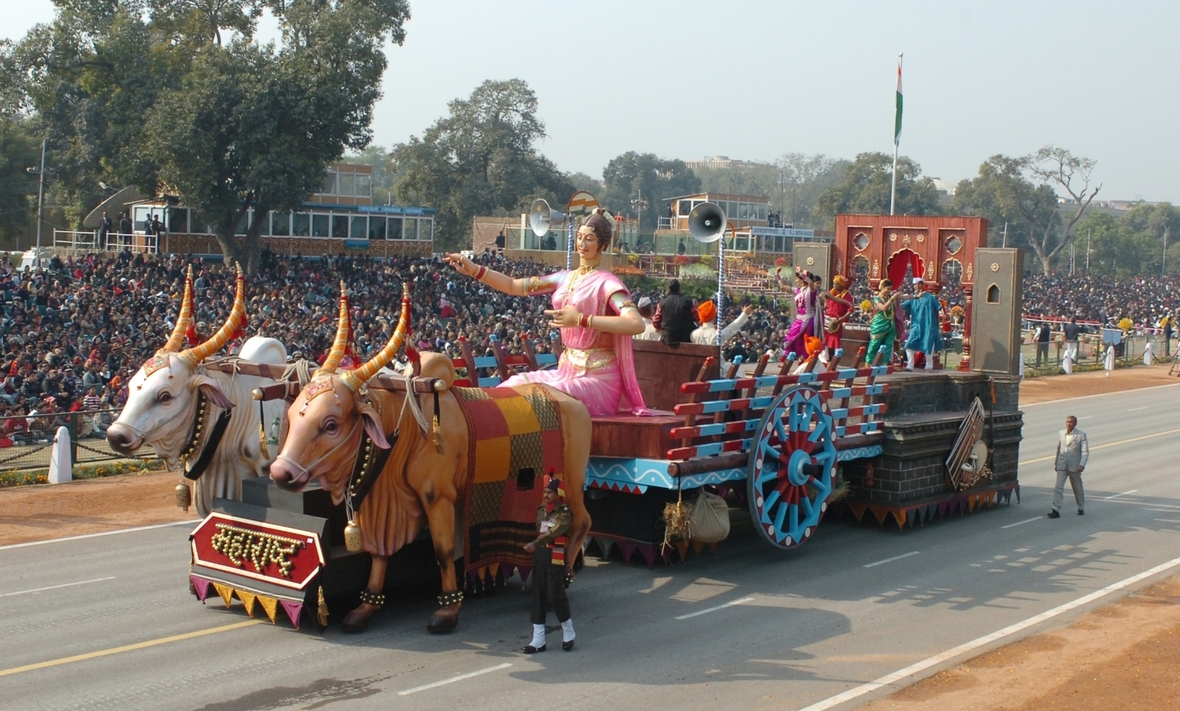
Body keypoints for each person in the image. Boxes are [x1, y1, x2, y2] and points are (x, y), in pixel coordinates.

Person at [444, 212, 649, 416]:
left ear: (603, 246)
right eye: (579, 237)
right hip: (567, 371)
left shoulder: (607, 283)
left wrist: (581, 319)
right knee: (514, 385)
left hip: (598, 379)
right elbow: (513, 286)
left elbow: (635, 324)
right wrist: (474, 270)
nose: (582, 244)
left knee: (544, 395)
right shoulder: (564, 278)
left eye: (589, 239)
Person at [521, 476, 576, 653]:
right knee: (537, 594)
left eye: (549, 492)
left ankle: (568, 631)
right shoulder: (541, 510)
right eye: (544, 492)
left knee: (555, 594)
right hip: (541, 555)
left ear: (558, 494)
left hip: (556, 554)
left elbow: (555, 531)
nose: (546, 495)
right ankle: (538, 639)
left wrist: (534, 544)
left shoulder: (565, 512)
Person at [1048, 415, 1089, 518]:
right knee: (1058, 487)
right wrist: (1056, 462)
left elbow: (1085, 452)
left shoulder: (1081, 435)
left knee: (1077, 487)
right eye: (1067, 422)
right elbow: (1059, 448)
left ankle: (1081, 507)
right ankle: (1055, 509)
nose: (1068, 424)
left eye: (1071, 422)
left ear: (1075, 424)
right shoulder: (1061, 433)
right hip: (1062, 464)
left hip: (1074, 466)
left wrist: (1081, 465)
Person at [777, 268, 820, 360]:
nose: (796, 280)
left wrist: (801, 273)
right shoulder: (797, 290)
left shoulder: (811, 290)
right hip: (799, 319)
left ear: (803, 279)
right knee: (791, 337)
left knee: (805, 340)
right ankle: (789, 356)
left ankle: (805, 358)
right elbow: (783, 287)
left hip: (808, 320)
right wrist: (777, 276)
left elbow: (811, 283)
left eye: (797, 279)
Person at [902, 278, 944, 371]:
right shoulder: (913, 298)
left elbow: (939, 308)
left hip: (928, 325)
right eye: (915, 284)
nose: (917, 286)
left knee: (928, 345)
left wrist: (944, 316)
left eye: (919, 284)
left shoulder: (930, 297)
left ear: (922, 285)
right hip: (916, 325)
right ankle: (910, 365)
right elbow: (902, 306)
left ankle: (929, 366)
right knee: (909, 345)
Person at [867, 279, 902, 366]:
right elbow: (883, 308)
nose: (889, 291)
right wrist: (892, 299)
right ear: (882, 288)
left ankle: (884, 363)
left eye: (890, 289)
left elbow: (904, 297)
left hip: (890, 324)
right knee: (874, 344)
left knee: (888, 345)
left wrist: (916, 297)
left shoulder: (889, 297)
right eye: (887, 289)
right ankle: (869, 362)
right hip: (879, 324)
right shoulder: (877, 299)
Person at [653, 279, 695, 346]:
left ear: (669, 289)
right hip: (686, 338)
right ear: (679, 289)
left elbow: (656, 321)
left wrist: (661, 329)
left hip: (668, 339)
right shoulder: (688, 301)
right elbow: (696, 316)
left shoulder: (662, 303)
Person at [822, 275, 854, 358]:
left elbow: (850, 309)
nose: (834, 286)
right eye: (834, 284)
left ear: (842, 285)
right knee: (825, 339)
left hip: (838, 321)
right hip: (828, 319)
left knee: (837, 340)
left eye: (837, 284)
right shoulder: (831, 292)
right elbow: (827, 305)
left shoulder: (847, 295)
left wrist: (842, 319)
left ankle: (837, 357)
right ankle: (825, 358)